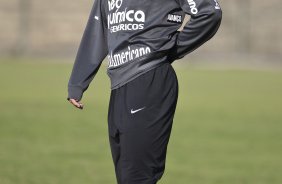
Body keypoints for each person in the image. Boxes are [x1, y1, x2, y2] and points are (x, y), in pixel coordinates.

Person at [67, 0, 222, 183]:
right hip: (118, 86)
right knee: (126, 176)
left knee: (138, 177)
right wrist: (77, 82)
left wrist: (169, 49)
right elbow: (98, 28)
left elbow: (209, 12)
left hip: (150, 80)